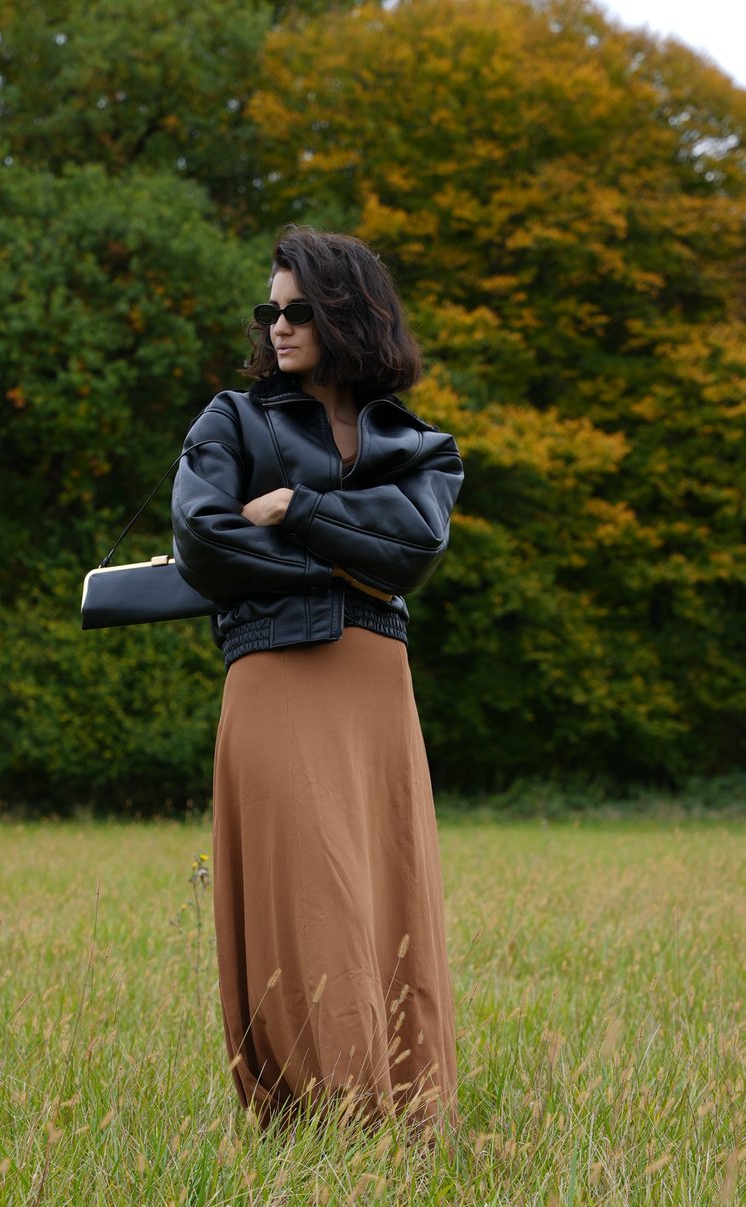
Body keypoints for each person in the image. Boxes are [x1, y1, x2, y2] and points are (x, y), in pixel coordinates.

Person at [172, 226, 462, 1135]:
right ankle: (323, 1117)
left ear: (346, 312)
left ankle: (411, 1113)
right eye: (271, 310)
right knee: (306, 890)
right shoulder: (233, 419)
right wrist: (345, 559)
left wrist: (299, 509)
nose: (280, 326)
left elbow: (414, 550)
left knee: (389, 887)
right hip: (275, 676)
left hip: (377, 684)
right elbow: (204, 541)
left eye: (299, 309)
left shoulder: (421, 445)